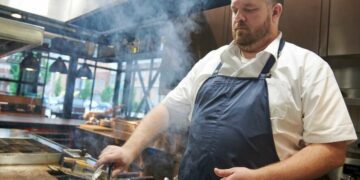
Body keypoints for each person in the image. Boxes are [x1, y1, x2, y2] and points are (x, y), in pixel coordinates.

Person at [96, 0, 357, 179]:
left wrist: (259, 177)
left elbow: (331, 151)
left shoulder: (307, 67)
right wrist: (129, 149)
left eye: (250, 9)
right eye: (234, 9)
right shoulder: (211, 61)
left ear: (276, 12)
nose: (239, 17)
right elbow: (168, 109)